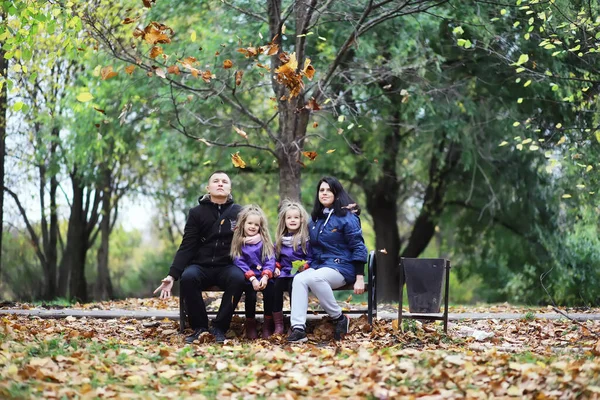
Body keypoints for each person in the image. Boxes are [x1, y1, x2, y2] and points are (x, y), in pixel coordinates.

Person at [153, 171, 245, 344]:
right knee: (188, 277)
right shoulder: (196, 212)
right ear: (208, 188)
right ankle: (200, 328)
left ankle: (219, 327)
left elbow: (250, 240)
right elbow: (187, 245)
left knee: (238, 278)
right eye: (215, 181)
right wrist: (172, 275)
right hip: (201, 266)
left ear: (230, 188)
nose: (220, 184)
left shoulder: (240, 212)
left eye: (224, 181)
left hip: (227, 266)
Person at [287, 176, 368, 343]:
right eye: (321, 190)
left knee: (313, 277)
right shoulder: (316, 219)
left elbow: (359, 246)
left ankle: (339, 318)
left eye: (328, 190)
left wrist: (360, 277)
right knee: (299, 279)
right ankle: (298, 328)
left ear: (336, 193)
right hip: (320, 266)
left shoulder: (347, 217)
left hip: (343, 267)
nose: (324, 193)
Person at [231, 204, 277, 339]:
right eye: (249, 223)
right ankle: (250, 323)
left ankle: (267, 324)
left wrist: (266, 276)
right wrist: (252, 279)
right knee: (250, 295)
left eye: (256, 225)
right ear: (243, 224)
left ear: (260, 227)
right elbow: (239, 261)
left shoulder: (264, 241)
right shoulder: (239, 242)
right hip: (248, 277)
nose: (252, 226)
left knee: (270, 291)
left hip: (264, 276)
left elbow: (270, 259)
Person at [272, 199, 312, 335]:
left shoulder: (305, 239)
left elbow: (312, 258)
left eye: (296, 217)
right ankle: (278, 323)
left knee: (293, 287)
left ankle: (295, 323)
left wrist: (305, 265)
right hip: (284, 272)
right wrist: (276, 267)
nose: (292, 220)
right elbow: (274, 258)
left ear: (302, 220)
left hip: (299, 274)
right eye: (289, 217)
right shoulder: (280, 240)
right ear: (284, 220)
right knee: (275, 286)